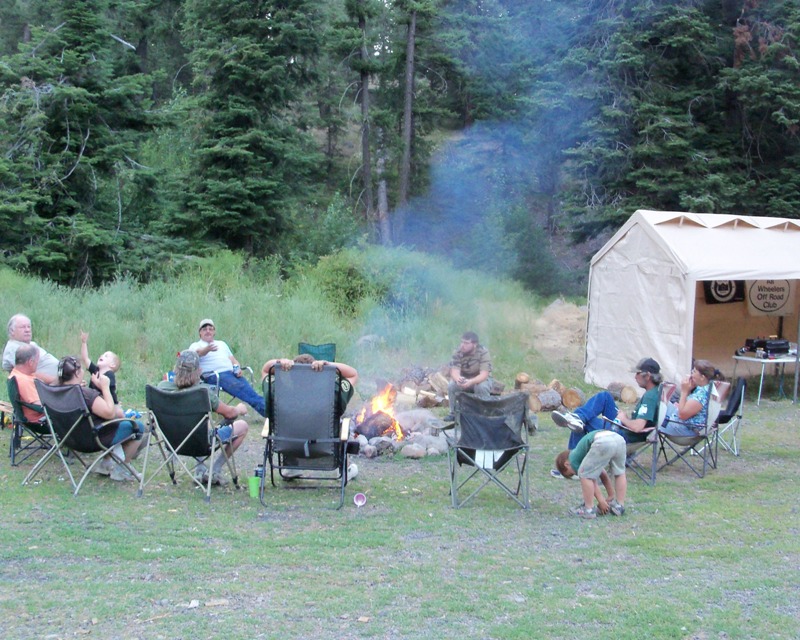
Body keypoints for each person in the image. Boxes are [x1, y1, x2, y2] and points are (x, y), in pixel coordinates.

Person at [158, 350, 249, 486]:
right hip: (201, 443)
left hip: (173, 442)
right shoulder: (203, 392)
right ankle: (214, 470)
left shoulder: (162, 388)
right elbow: (230, 414)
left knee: (199, 423)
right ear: (198, 371)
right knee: (242, 426)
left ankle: (201, 469)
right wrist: (239, 409)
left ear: (175, 369)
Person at [261, 354, 359, 479]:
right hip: (323, 448)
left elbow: (265, 370)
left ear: (291, 375)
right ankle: (345, 470)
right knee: (342, 424)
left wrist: (279, 363)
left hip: (288, 447)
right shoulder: (332, 394)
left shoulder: (276, 392)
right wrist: (328, 365)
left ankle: (291, 467)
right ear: (318, 375)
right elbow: (353, 374)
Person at [56, 355, 145, 482]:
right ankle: (121, 469)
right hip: (91, 440)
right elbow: (110, 413)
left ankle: (106, 463)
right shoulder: (86, 394)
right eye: (81, 369)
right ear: (76, 373)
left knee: (113, 421)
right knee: (138, 427)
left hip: (68, 438)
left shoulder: (53, 391)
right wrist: (105, 388)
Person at [551, 357, 663, 450]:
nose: (635, 376)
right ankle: (577, 418)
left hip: (624, 434)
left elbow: (638, 427)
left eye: (638, 373)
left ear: (647, 376)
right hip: (626, 429)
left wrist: (624, 419)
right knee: (604, 397)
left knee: (581, 424)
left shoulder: (650, 397)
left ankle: (572, 463)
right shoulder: (656, 391)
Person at [189, 319, 266, 416]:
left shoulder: (222, 344)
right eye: (204, 329)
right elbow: (197, 353)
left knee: (248, 391)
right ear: (200, 333)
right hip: (214, 375)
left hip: (231, 374)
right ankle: (270, 412)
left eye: (210, 329)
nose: (208, 331)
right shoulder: (196, 345)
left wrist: (237, 367)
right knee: (244, 390)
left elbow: (233, 360)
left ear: (214, 332)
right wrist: (207, 349)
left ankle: (269, 409)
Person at [555, 429, 627, 519]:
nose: (576, 473)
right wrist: (610, 494)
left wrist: (602, 501)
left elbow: (589, 478)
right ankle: (619, 506)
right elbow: (603, 473)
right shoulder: (583, 454)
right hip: (618, 438)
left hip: (602, 442)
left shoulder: (573, 459)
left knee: (584, 475)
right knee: (619, 472)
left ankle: (588, 509)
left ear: (566, 464)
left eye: (572, 473)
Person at [658, 359, 721, 436]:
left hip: (683, 429)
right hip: (684, 423)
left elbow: (682, 415)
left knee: (656, 411)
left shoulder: (701, 395)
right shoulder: (706, 388)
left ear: (702, 377)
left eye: (694, 372)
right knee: (661, 402)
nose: (691, 374)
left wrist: (684, 391)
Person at [445, 331, 493, 420]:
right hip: (464, 377)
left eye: (466, 343)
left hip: (480, 379)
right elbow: (454, 371)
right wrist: (458, 379)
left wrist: (471, 382)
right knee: (452, 385)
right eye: (462, 342)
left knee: (482, 387)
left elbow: (484, 374)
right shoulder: (457, 351)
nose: (462, 345)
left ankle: (484, 413)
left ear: (474, 344)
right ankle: (453, 413)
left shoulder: (483, 352)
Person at [3, 314, 59, 383]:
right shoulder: (14, 348)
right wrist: (57, 381)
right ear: (12, 331)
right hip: (50, 386)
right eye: (22, 327)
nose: (27, 330)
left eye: (29, 327)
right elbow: (27, 374)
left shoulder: (30, 344)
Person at [80, 331, 123, 418]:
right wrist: (84, 343)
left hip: (109, 402)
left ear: (112, 365)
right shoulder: (96, 370)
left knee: (120, 413)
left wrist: (95, 381)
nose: (102, 356)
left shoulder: (110, 374)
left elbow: (105, 386)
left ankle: (124, 421)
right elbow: (85, 358)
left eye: (106, 356)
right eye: (102, 355)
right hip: (96, 402)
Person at [8, 343, 46, 424]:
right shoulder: (24, 380)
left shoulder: (18, 373)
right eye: (37, 360)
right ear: (31, 362)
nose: (38, 363)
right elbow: (39, 404)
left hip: (39, 416)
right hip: (40, 420)